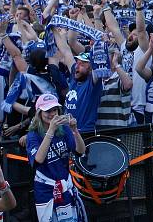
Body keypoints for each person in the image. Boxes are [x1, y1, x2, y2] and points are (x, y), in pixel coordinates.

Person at [26, 93, 87, 222]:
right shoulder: (33, 135)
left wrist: (75, 130)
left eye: (54, 110)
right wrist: (51, 131)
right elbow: (38, 160)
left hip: (65, 184)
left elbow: (80, 151)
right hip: (45, 188)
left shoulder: (64, 129)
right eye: (47, 110)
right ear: (39, 113)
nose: (52, 114)